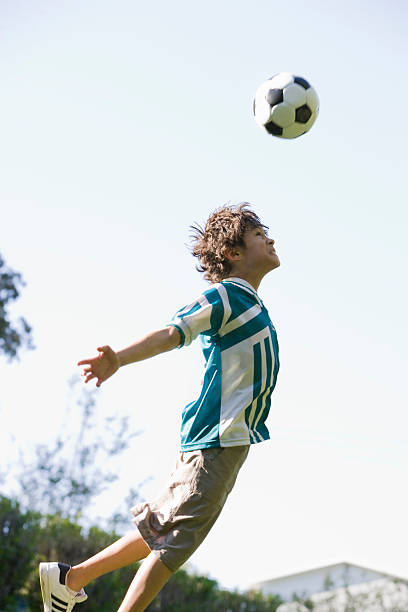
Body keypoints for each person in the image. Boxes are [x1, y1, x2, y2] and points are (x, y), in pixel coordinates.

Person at [39, 202, 281, 612]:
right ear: (233, 253)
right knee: (178, 540)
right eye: (260, 235)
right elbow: (172, 333)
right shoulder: (226, 295)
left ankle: (69, 578)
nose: (271, 239)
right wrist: (119, 358)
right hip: (216, 436)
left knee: (163, 526)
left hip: (225, 439)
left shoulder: (252, 303)